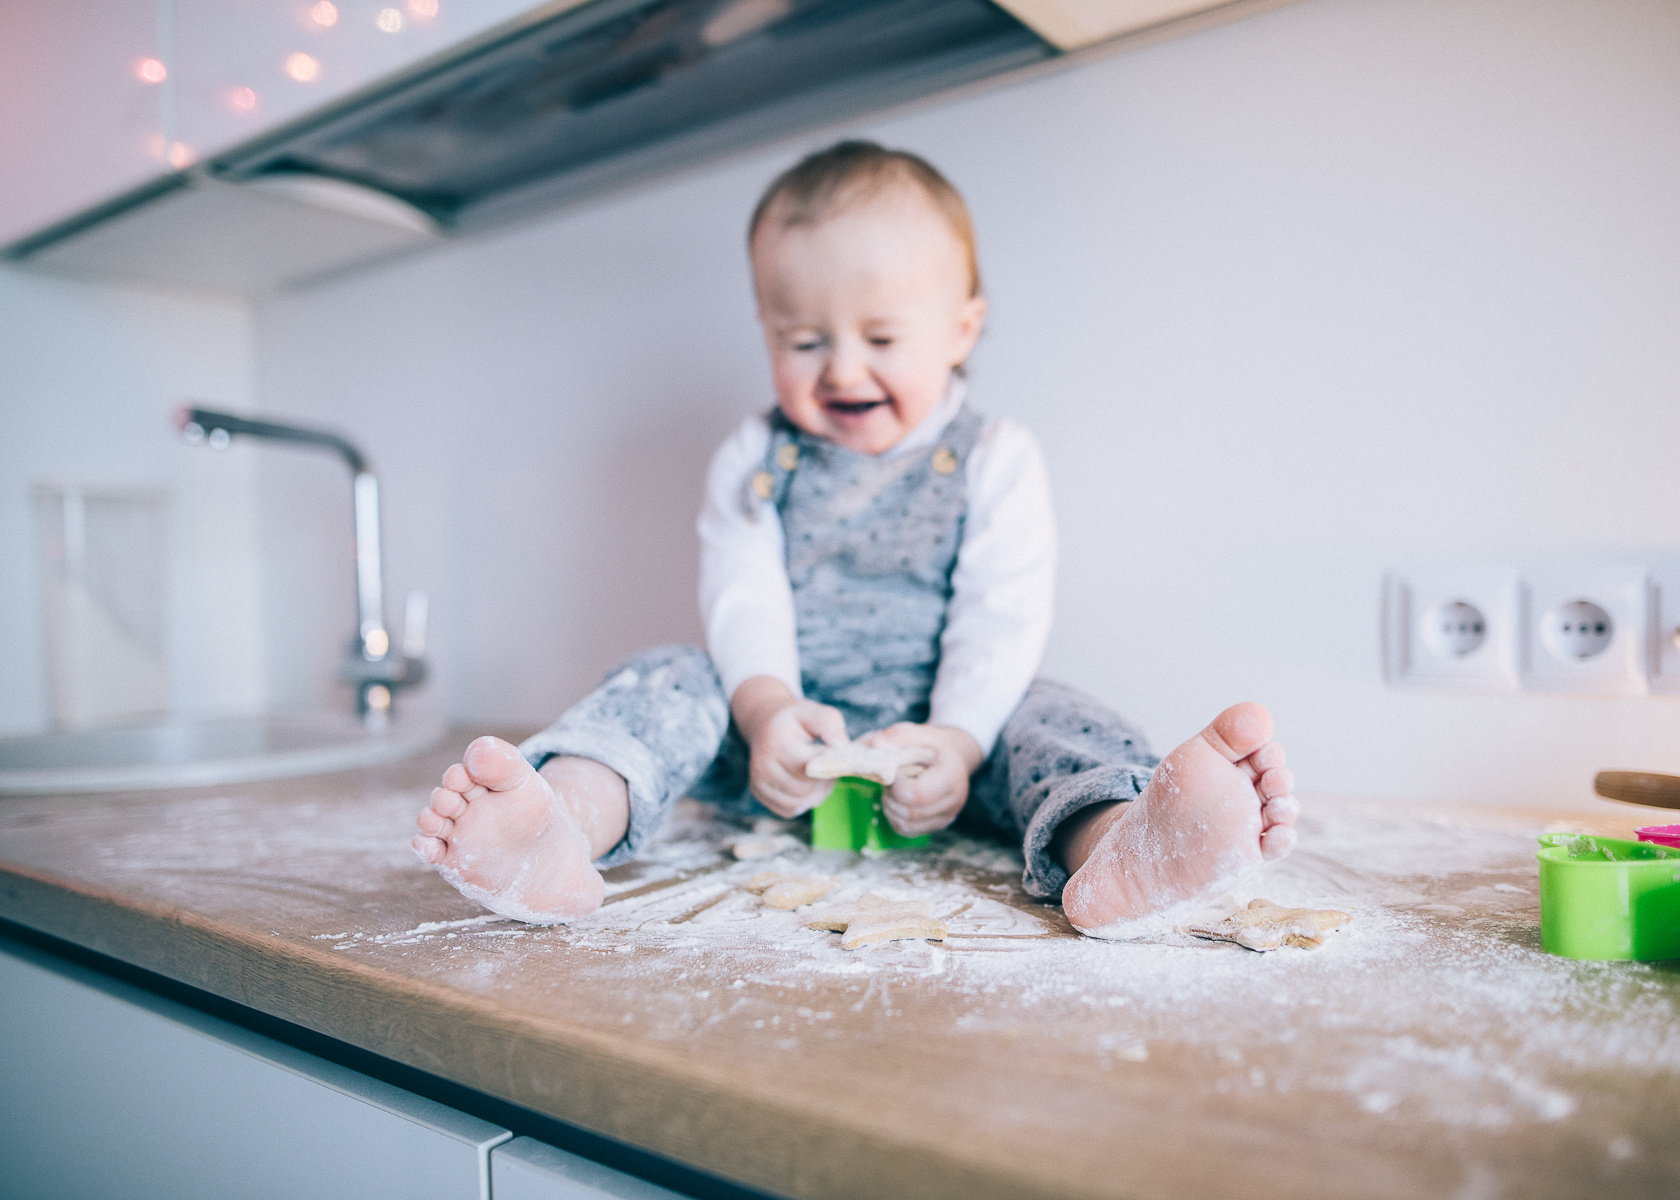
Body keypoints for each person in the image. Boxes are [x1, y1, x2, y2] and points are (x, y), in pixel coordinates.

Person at [412, 141, 1299, 934]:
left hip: (958, 740)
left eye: (880, 336)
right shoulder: (756, 458)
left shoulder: (994, 457)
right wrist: (764, 715)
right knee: (667, 678)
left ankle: (1125, 845)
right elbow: (742, 597)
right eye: (803, 340)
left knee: (1056, 717)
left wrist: (956, 740)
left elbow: (1001, 616)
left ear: (960, 331)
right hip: (782, 742)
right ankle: (561, 821)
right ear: (766, 330)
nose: (841, 367)